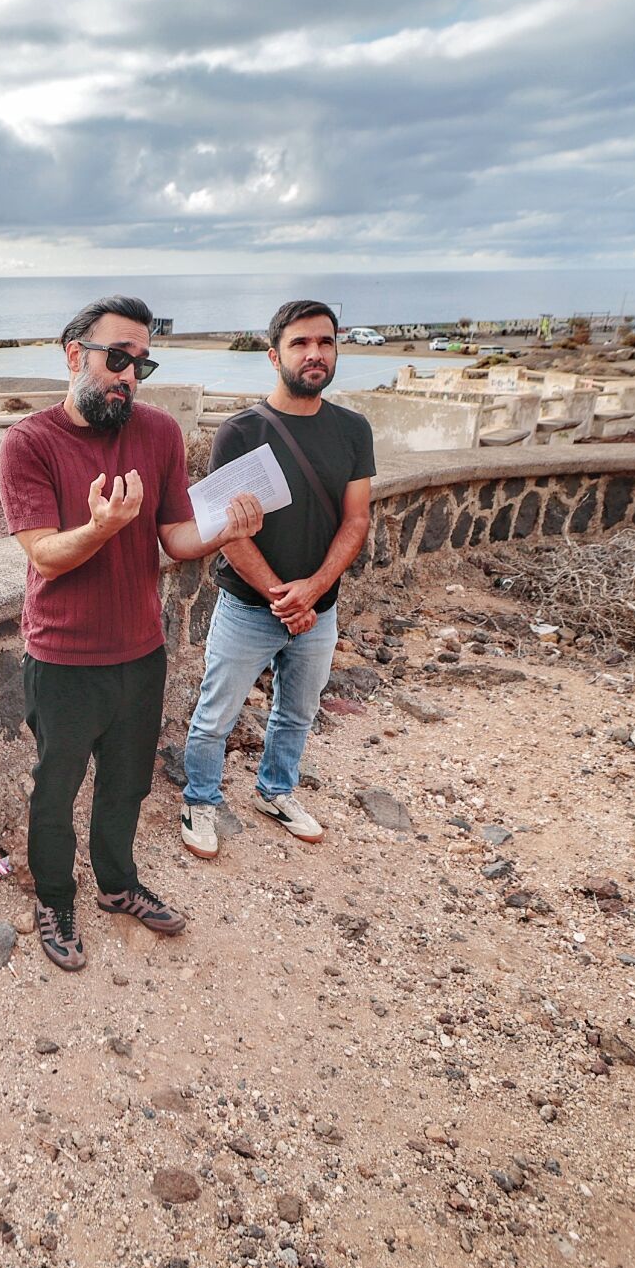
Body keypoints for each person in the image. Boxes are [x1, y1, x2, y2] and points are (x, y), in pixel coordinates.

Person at [0, 295, 263, 972]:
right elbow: (45, 554)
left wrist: (224, 530)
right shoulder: (28, 442)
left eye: (140, 363)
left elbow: (175, 536)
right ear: (73, 355)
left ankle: (117, 883)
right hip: (62, 657)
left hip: (140, 652)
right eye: (117, 359)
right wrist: (101, 528)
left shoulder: (159, 434)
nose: (128, 376)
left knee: (127, 785)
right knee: (55, 790)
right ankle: (55, 898)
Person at [179, 299, 374, 859]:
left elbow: (356, 517)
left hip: (321, 607)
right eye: (300, 343)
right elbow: (228, 532)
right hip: (248, 606)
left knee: (298, 710)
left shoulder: (353, 430)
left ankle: (276, 790)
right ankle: (200, 799)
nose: (315, 354)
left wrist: (313, 589)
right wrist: (280, 596)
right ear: (274, 355)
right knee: (217, 714)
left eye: (326, 342)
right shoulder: (241, 432)